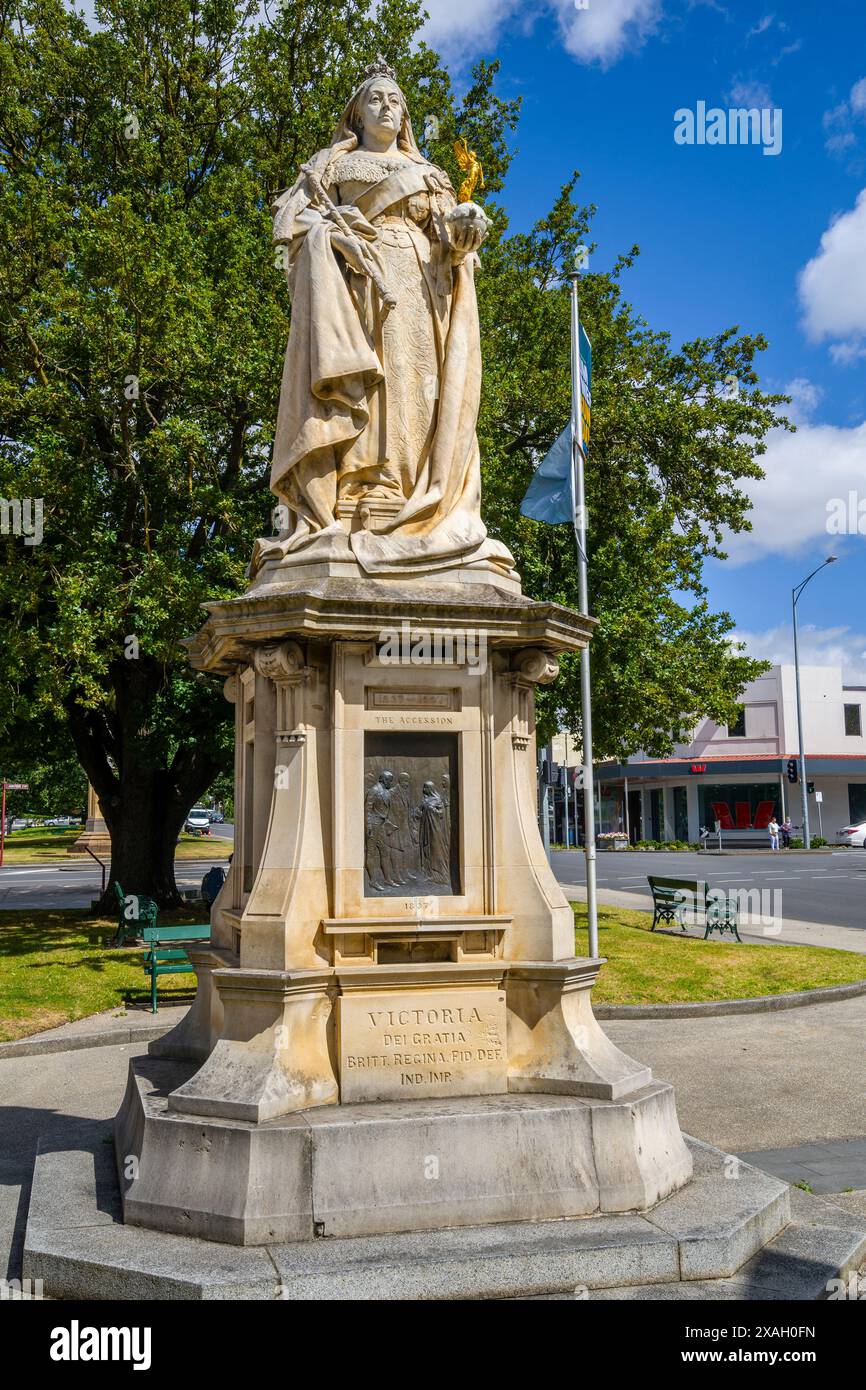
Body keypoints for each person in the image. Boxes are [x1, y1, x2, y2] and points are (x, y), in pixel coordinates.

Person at [250, 56, 516, 584]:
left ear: (406, 116)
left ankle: (407, 493)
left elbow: (453, 245)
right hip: (352, 284)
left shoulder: (429, 175)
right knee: (365, 385)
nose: (386, 107)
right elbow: (293, 227)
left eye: (395, 100)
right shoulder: (328, 167)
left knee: (416, 391)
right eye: (375, 98)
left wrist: (466, 230)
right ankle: (356, 495)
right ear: (356, 112)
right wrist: (332, 230)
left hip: (420, 287)